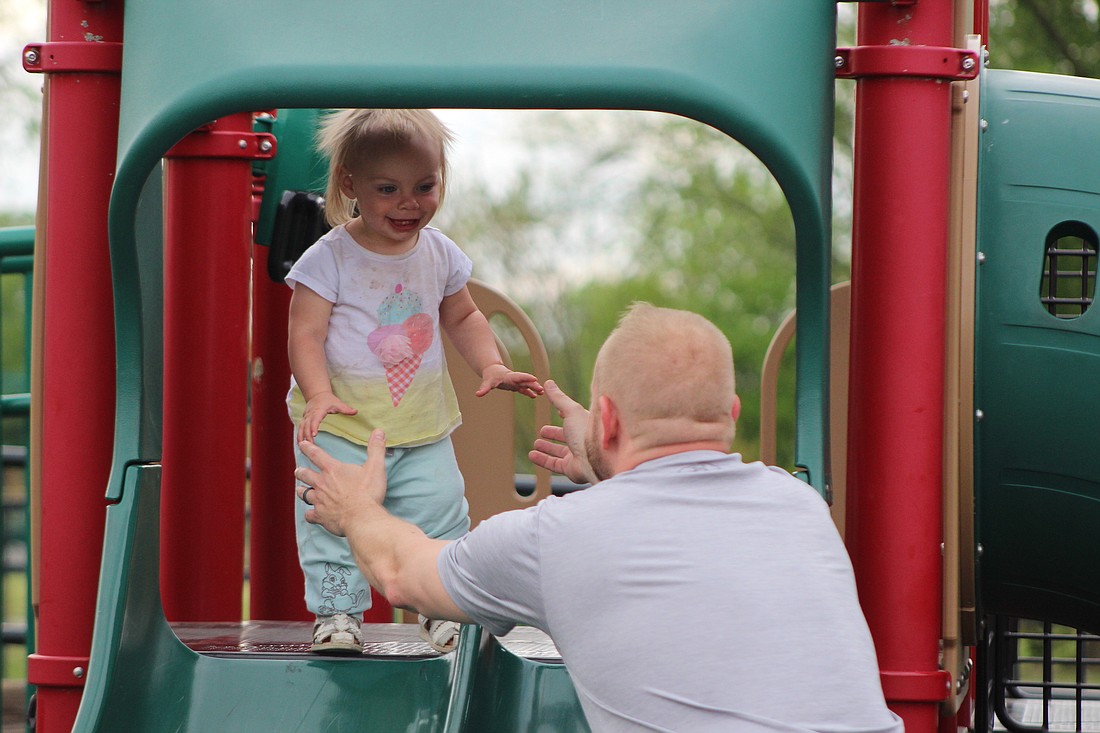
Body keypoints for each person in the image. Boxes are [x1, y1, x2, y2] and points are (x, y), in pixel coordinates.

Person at [295, 303, 904, 733]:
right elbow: (676, 511)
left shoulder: (560, 537)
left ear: (606, 420)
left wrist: (356, 509)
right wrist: (611, 464)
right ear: (732, 411)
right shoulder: (798, 506)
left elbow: (403, 574)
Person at [286, 108, 543, 655]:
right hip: (343, 428)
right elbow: (305, 334)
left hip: (422, 428)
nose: (410, 202)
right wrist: (321, 393)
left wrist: (491, 364)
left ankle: (439, 610)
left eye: (424, 186)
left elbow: (465, 317)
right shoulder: (327, 259)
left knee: (442, 515)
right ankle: (338, 615)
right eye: (388, 189)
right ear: (350, 184)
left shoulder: (440, 252)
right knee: (332, 523)